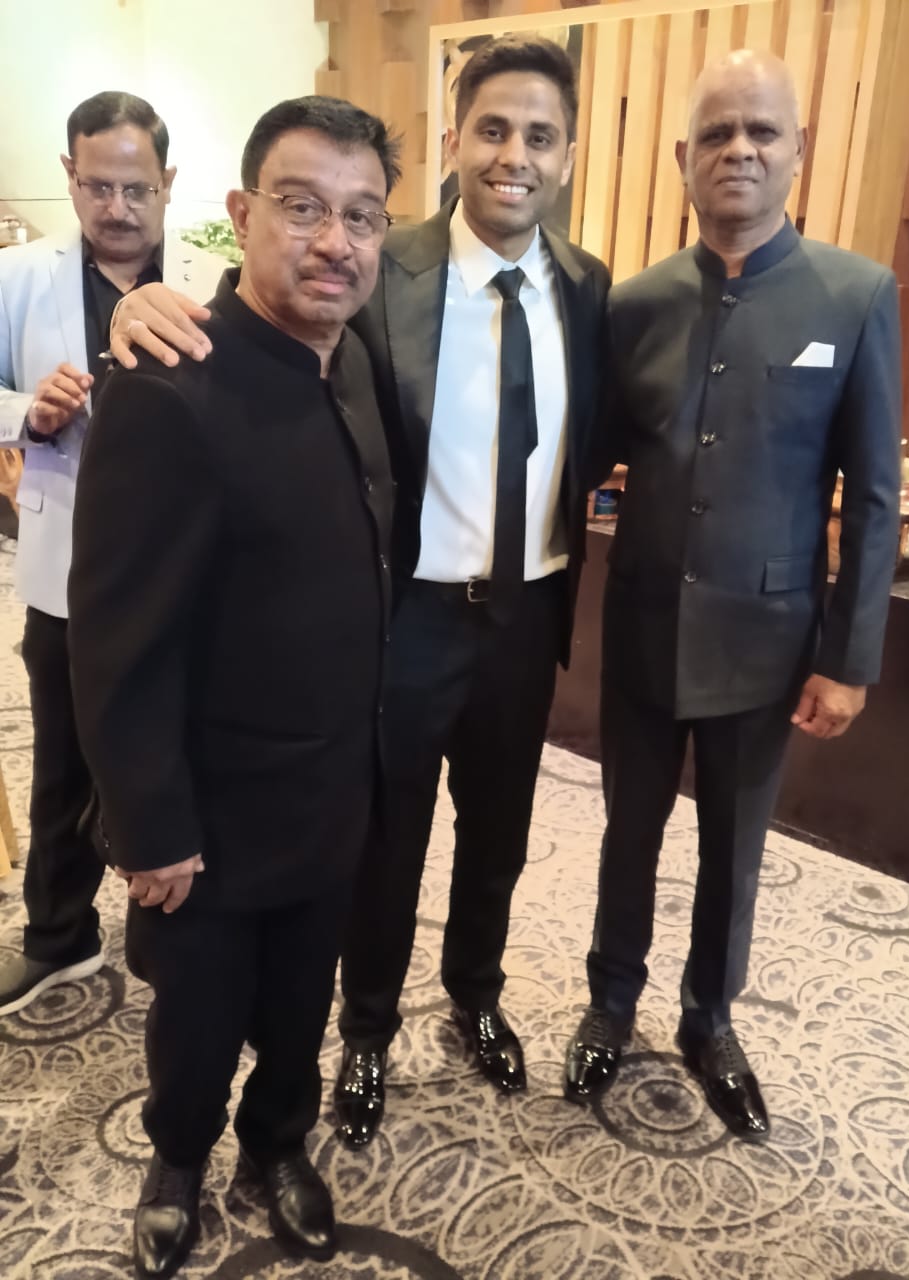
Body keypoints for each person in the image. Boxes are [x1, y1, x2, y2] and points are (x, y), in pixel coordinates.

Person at [108, 36, 611, 1149]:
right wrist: (135, 309)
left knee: (500, 833)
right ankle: (369, 1027)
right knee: (386, 840)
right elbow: (275, 333)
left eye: (539, 135)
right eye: (493, 129)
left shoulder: (587, 285)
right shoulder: (384, 264)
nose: (515, 155)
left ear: (568, 155)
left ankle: (475, 993)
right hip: (411, 615)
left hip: (527, 612)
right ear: (455, 141)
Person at [68, 96, 397, 1278]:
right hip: (210, 807)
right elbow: (116, 636)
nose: (334, 241)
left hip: (331, 783)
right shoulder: (172, 385)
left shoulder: (355, 362)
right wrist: (151, 823)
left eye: (362, 216)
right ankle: (176, 1159)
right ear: (242, 213)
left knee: (302, 1001)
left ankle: (278, 1140)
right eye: (303, 208)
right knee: (198, 1018)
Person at [563, 50, 902, 1142]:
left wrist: (849, 657)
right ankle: (610, 1002)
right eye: (717, 133)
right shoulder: (635, 303)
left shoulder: (855, 295)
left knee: (734, 849)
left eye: (762, 131)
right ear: (684, 157)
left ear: (799, 149)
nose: (739, 150)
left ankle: (710, 1020)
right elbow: (583, 456)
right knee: (627, 832)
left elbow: (876, 494)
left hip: (768, 639)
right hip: (642, 627)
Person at [0, 91, 223, 1016]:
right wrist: (28, 413)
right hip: (68, 569)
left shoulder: (216, 278)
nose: (118, 207)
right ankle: (59, 936)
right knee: (65, 762)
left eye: (138, 188)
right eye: (98, 186)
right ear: (69, 176)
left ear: (168, 181)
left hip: (188, 574)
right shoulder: (19, 277)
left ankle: (181, 943)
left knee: (182, 757)